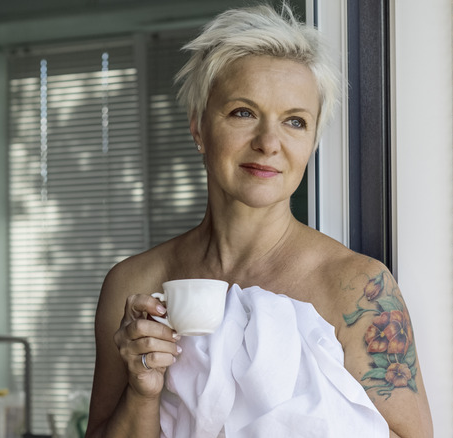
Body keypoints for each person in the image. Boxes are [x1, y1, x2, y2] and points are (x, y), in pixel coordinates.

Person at [86, 3, 433, 437]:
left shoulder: (359, 288)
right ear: (198, 128)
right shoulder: (132, 283)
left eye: (295, 122)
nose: (269, 142)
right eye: (243, 113)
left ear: (311, 143)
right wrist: (142, 391)